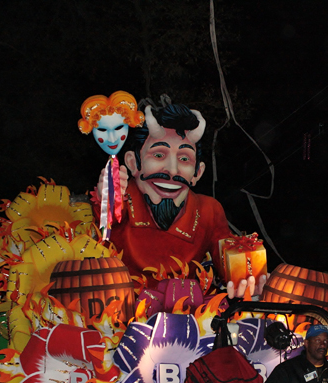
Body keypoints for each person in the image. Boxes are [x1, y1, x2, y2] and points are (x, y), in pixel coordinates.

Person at [112, 101, 263, 296]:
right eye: (159, 154)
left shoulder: (208, 211)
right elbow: (102, 222)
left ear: (197, 172)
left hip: (185, 316)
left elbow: (227, 253)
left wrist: (246, 273)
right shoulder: (119, 200)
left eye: (184, 159)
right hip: (116, 316)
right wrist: (107, 197)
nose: (173, 170)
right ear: (133, 163)